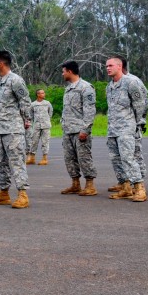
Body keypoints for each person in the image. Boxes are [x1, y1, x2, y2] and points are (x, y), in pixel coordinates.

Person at [0, 51, 32, 209]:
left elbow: (25, 101)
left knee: (17, 162)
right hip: (0, 129)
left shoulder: (15, 80)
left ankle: (23, 194)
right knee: (0, 163)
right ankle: (3, 193)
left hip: (13, 130)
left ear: (2, 63)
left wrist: (27, 121)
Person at [105, 56, 147, 202]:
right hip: (113, 129)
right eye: (106, 66)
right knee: (116, 160)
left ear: (119, 66)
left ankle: (139, 188)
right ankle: (125, 187)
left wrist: (137, 124)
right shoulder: (109, 86)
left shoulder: (131, 82)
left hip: (127, 128)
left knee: (129, 158)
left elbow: (140, 105)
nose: (108, 68)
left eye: (110, 65)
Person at [59, 61, 98, 196]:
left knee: (84, 158)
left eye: (63, 71)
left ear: (70, 71)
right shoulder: (68, 88)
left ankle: (90, 185)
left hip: (80, 130)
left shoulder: (86, 87)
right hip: (68, 129)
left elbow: (90, 111)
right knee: (69, 158)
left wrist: (85, 130)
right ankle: (75, 184)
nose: (62, 74)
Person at [28, 89, 53, 166]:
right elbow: (30, 115)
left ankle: (44, 158)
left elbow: (50, 112)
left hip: (46, 125)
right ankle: (32, 158)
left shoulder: (47, 103)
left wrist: (47, 120)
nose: (43, 94)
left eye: (43, 92)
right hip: (36, 126)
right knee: (34, 142)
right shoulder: (33, 104)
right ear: (38, 94)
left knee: (45, 142)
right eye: (42, 93)